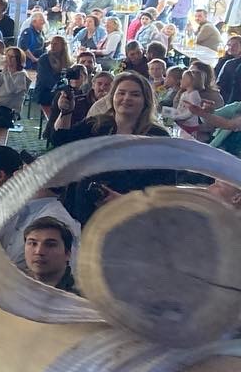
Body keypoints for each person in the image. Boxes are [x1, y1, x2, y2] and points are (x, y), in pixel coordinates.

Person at [50, 72, 175, 223]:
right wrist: (66, 112)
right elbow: (61, 141)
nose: (126, 98)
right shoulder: (97, 125)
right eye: (121, 93)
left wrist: (125, 201)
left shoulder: (157, 137)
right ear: (112, 97)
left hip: (128, 218)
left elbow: (165, 188)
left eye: (135, 94)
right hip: (82, 209)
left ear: (146, 101)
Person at [23, 216, 76, 291]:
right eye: (33, 243)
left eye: (50, 245)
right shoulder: (13, 286)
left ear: (67, 253)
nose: (39, 252)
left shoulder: (81, 296)